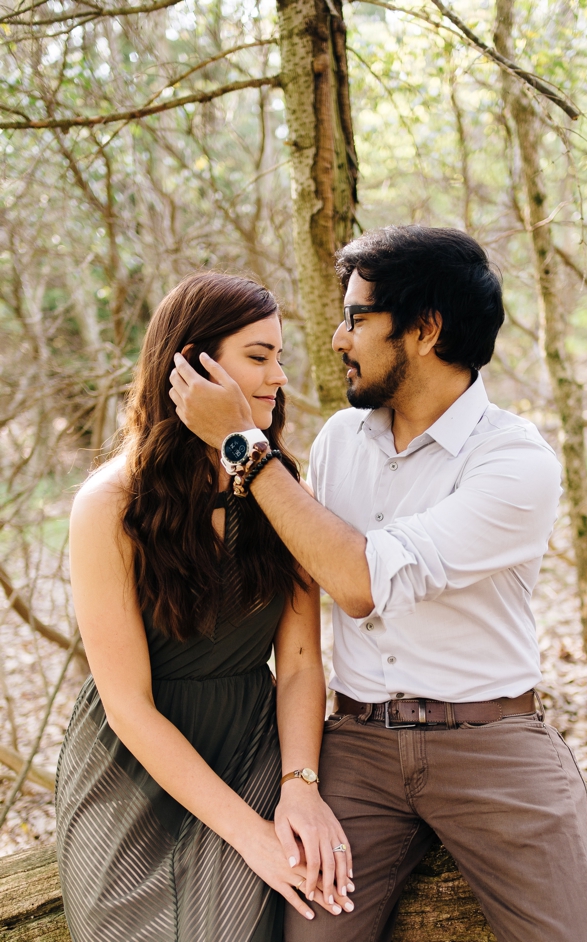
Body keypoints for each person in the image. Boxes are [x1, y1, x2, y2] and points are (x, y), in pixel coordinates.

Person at [168, 226, 587, 942]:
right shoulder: (342, 441)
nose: (340, 338)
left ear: (425, 330)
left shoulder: (516, 463)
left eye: (358, 318)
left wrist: (243, 444)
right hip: (358, 749)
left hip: (491, 742)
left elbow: (361, 580)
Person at [58, 272, 353, 942]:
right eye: (258, 357)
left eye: (280, 357)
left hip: (253, 743)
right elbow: (127, 705)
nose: (278, 377)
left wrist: (300, 785)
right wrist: (252, 837)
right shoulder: (107, 505)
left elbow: (303, 660)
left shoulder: (279, 485)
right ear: (192, 365)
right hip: (133, 764)